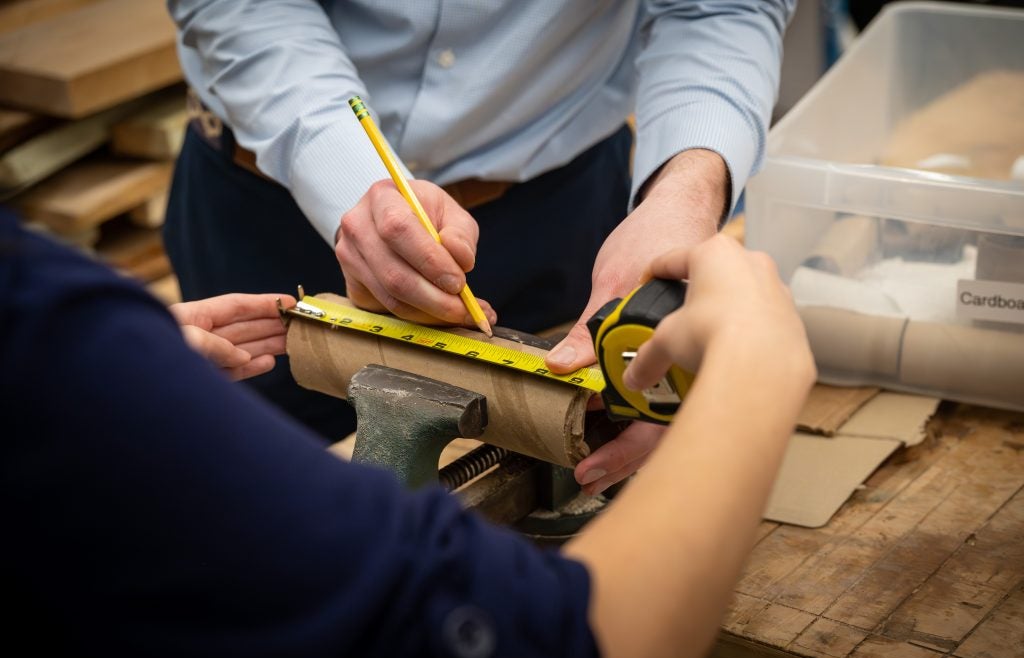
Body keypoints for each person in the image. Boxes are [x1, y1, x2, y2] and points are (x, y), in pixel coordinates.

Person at [3, 207, 814, 658]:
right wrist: (756, 368)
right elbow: (544, 650)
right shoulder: (42, 337)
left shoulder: (54, 330)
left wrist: (126, 369)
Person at [163, 1, 797, 492]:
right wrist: (348, 176)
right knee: (260, 519)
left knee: (580, 445)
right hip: (271, 201)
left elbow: (718, 9)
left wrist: (682, 197)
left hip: (566, 207)